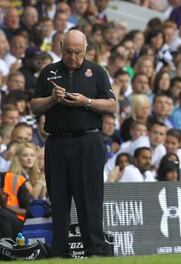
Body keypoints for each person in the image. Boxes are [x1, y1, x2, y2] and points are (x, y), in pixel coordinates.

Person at [30, 30, 116, 257]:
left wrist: (85, 102)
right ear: (60, 47)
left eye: (78, 52)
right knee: (58, 197)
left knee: (90, 199)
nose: (73, 57)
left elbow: (111, 105)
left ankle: (95, 249)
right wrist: (52, 99)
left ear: (86, 49)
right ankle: (60, 250)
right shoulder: (49, 72)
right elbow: (34, 106)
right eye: (68, 51)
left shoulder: (97, 71)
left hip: (88, 140)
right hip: (57, 142)